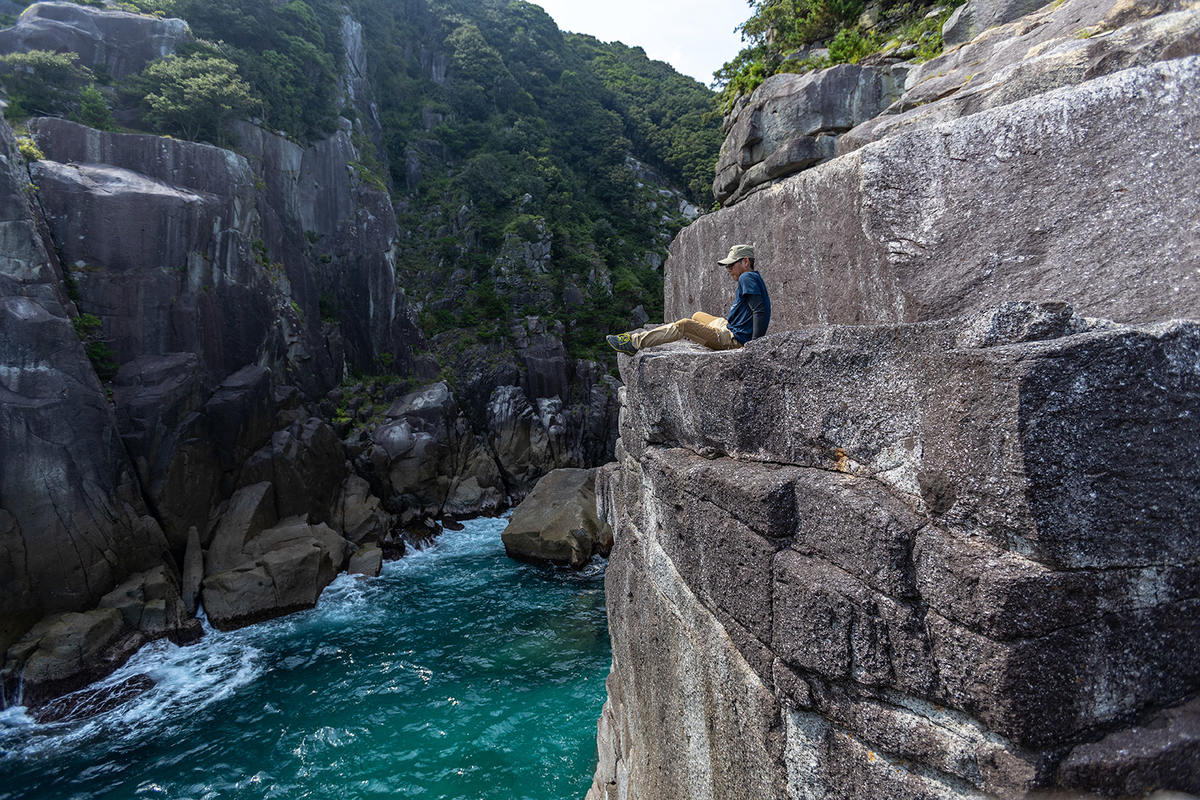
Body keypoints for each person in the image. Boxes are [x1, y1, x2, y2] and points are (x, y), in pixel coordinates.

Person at [606, 244, 771, 355]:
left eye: (730, 265)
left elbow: (759, 310)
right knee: (698, 315)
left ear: (745, 261)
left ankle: (634, 343)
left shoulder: (746, 277)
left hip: (732, 339)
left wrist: (754, 345)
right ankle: (697, 334)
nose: (728, 269)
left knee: (684, 325)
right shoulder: (753, 277)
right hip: (729, 327)